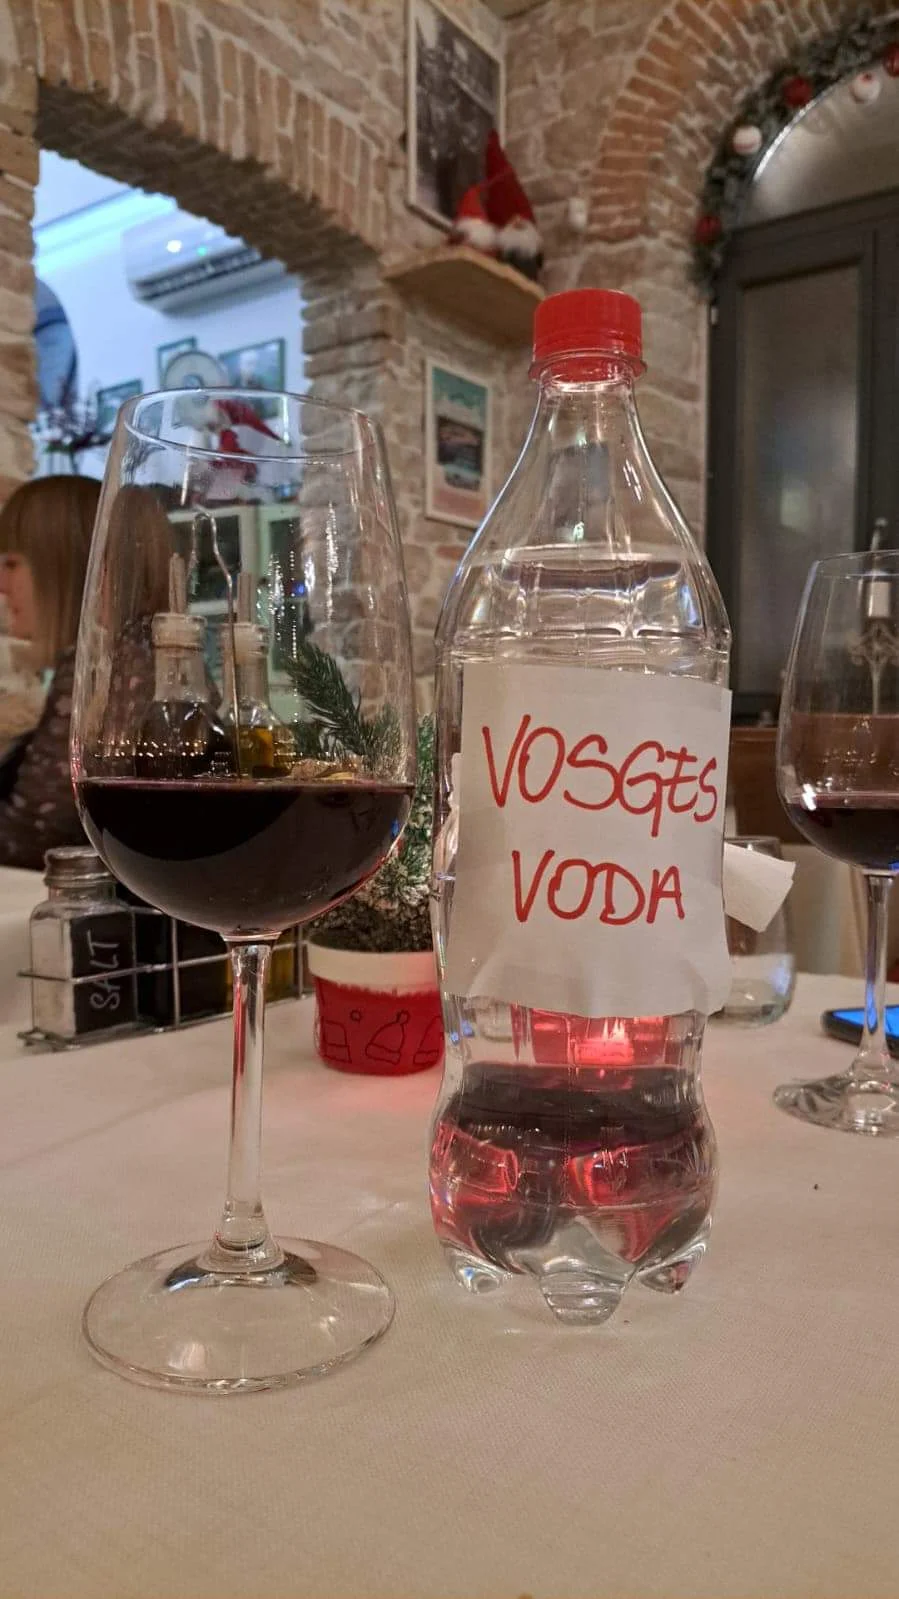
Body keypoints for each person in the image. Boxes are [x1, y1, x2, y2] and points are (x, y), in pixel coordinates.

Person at [0, 474, 100, 870]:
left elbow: (33, 838)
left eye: (12, 564)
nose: (2, 584)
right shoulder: (99, 664)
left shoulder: (105, 671)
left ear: (61, 567)